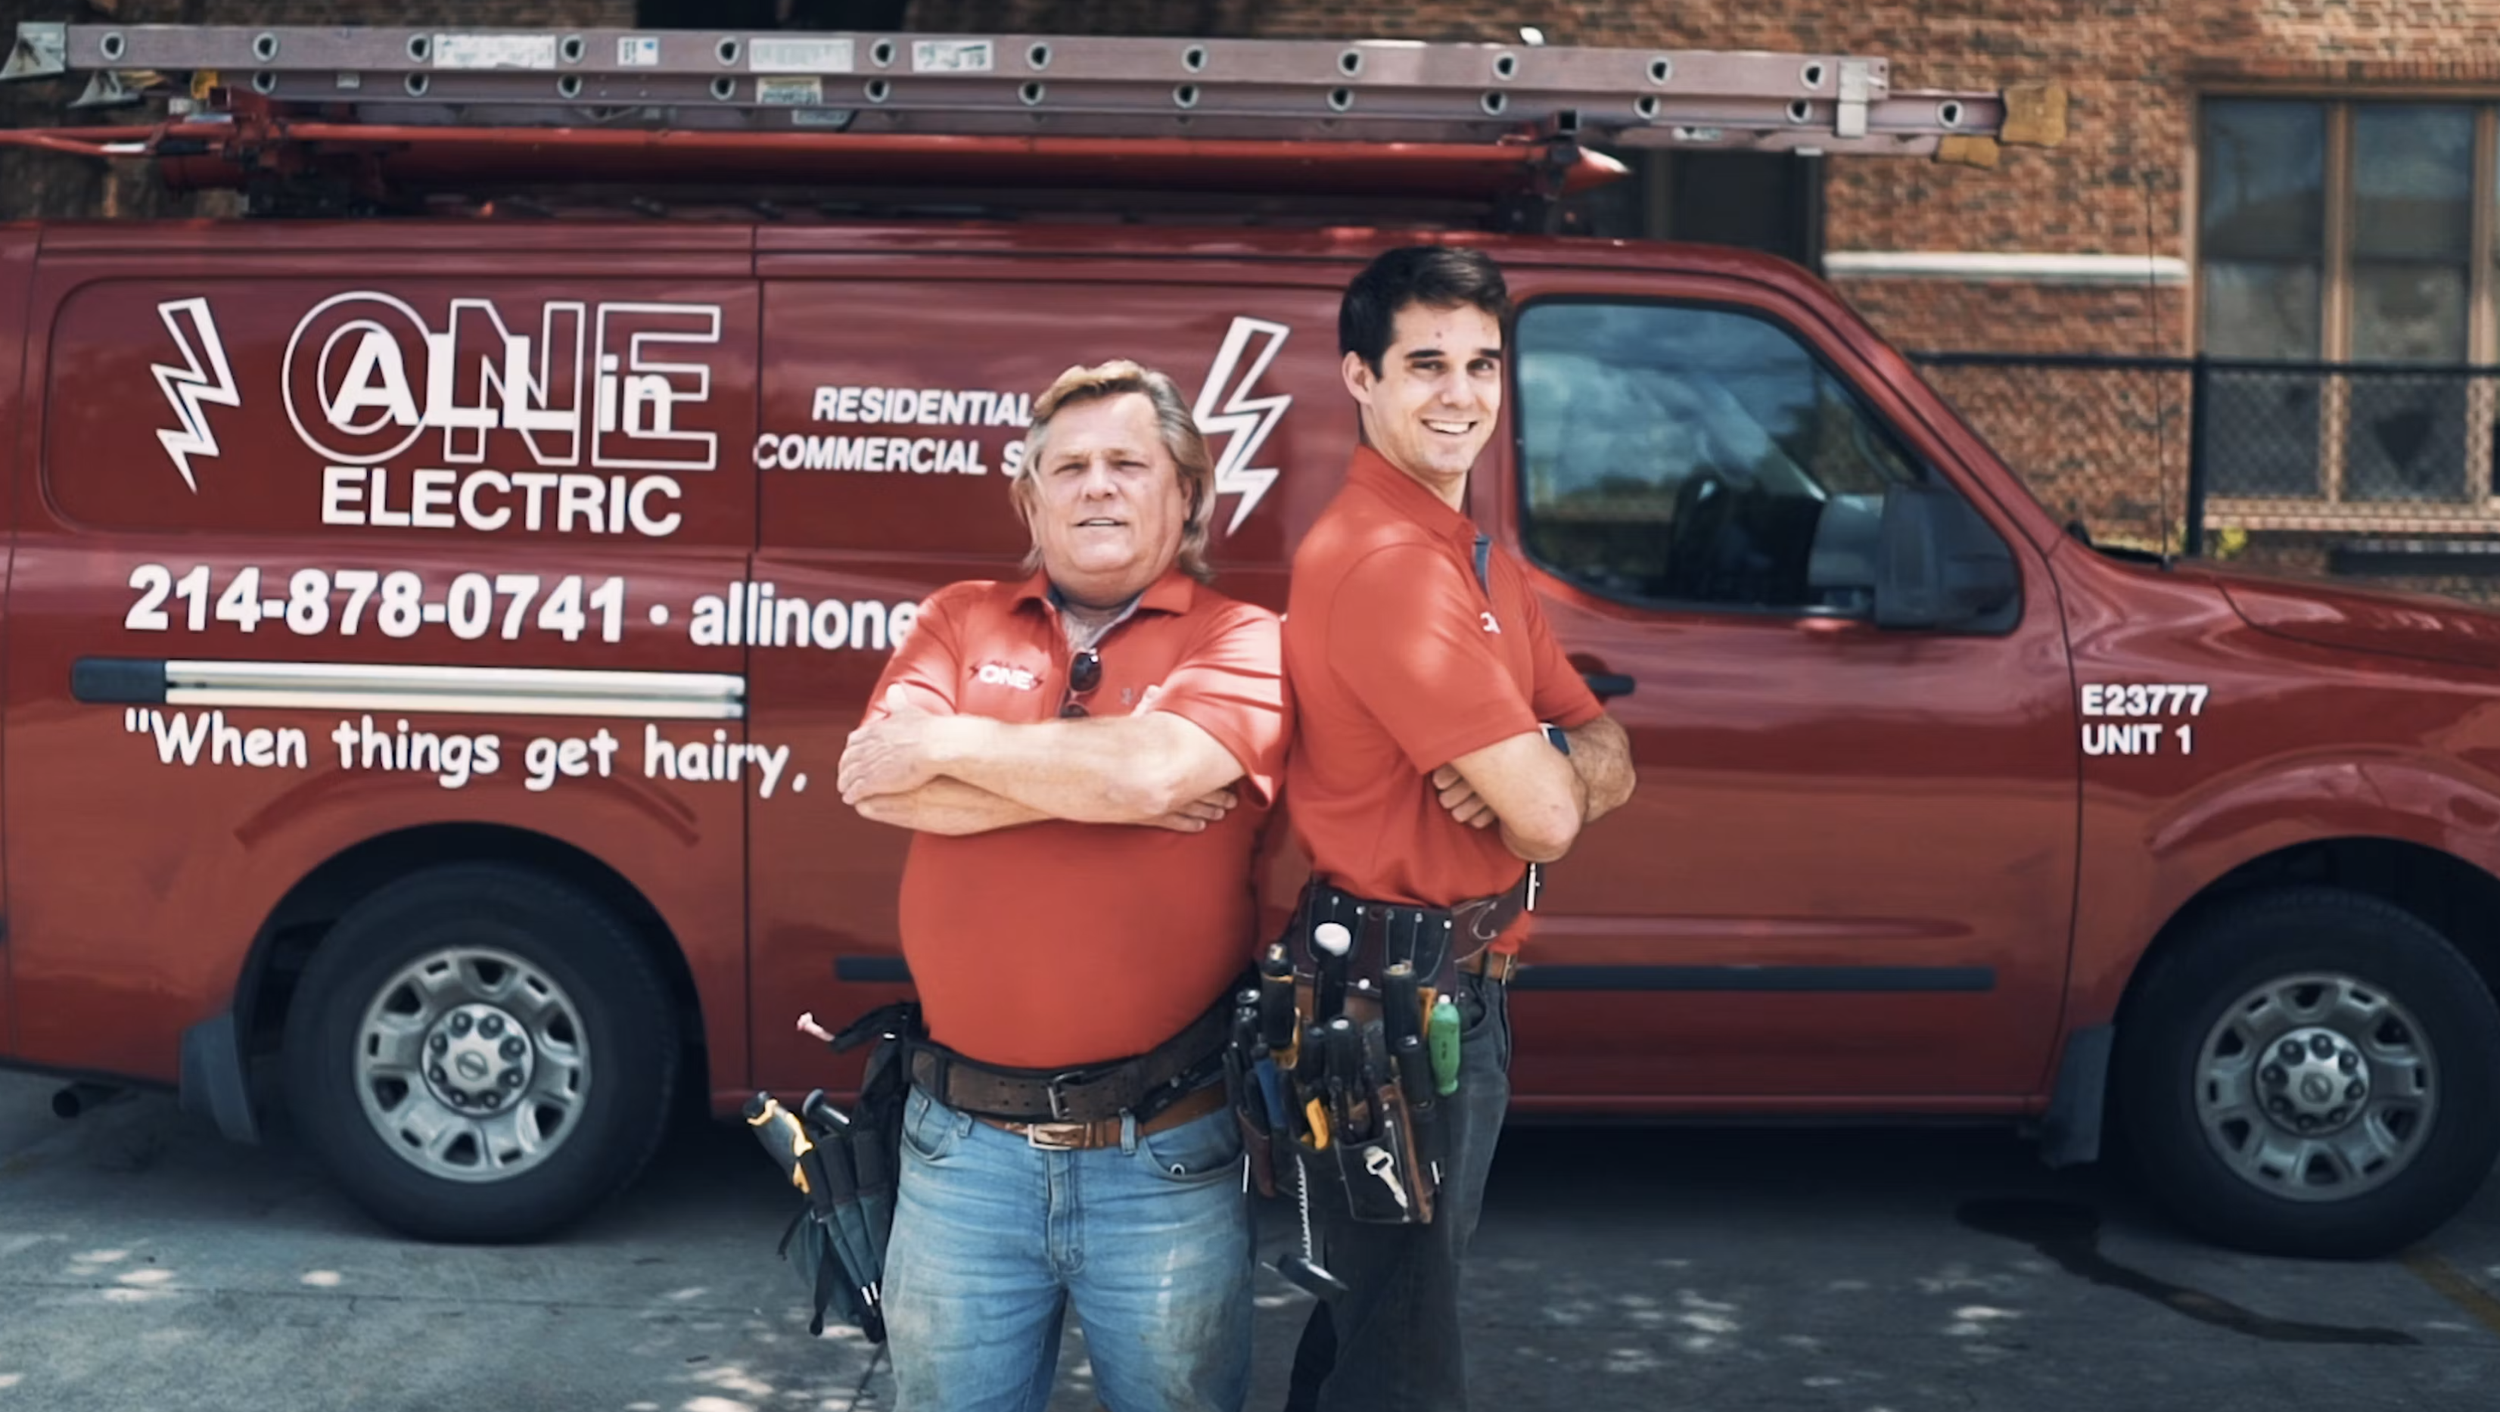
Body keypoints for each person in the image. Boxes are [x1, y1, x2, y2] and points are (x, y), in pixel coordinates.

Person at [835, 359, 1288, 1412]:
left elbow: (1154, 770)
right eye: (1068, 466)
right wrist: (1104, 786)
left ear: (1187, 493)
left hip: (1164, 1148)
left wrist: (953, 748)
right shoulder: (957, 615)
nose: (1097, 485)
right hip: (959, 1153)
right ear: (1028, 499)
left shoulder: (1245, 638)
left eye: (1128, 462)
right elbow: (877, 783)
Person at [1276, 246, 1636, 1412]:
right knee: (1403, 1357)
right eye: (1425, 362)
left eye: (1481, 362)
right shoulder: (1388, 563)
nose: (1460, 392)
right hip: (1390, 1009)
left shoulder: (1474, 553)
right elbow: (1550, 814)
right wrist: (1543, 775)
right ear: (1359, 378)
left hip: (1448, 993)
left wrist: (1547, 766)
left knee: (1380, 1318)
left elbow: (1607, 755)